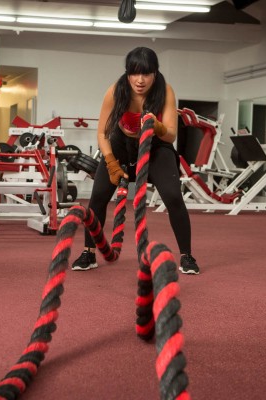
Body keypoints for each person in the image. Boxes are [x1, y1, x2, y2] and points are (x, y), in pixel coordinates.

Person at [71, 47, 200, 275]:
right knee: (98, 196)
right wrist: (110, 162)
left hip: (156, 146)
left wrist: (156, 125)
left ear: (155, 73)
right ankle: (88, 252)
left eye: (146, 74)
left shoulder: (165, 91)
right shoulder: (116, 91)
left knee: (172, 196)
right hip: (121, 145)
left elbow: (170, 134)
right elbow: (102, 133)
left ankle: (187, 256)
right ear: (127, 73)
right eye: (134, 74)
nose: (140, 80)